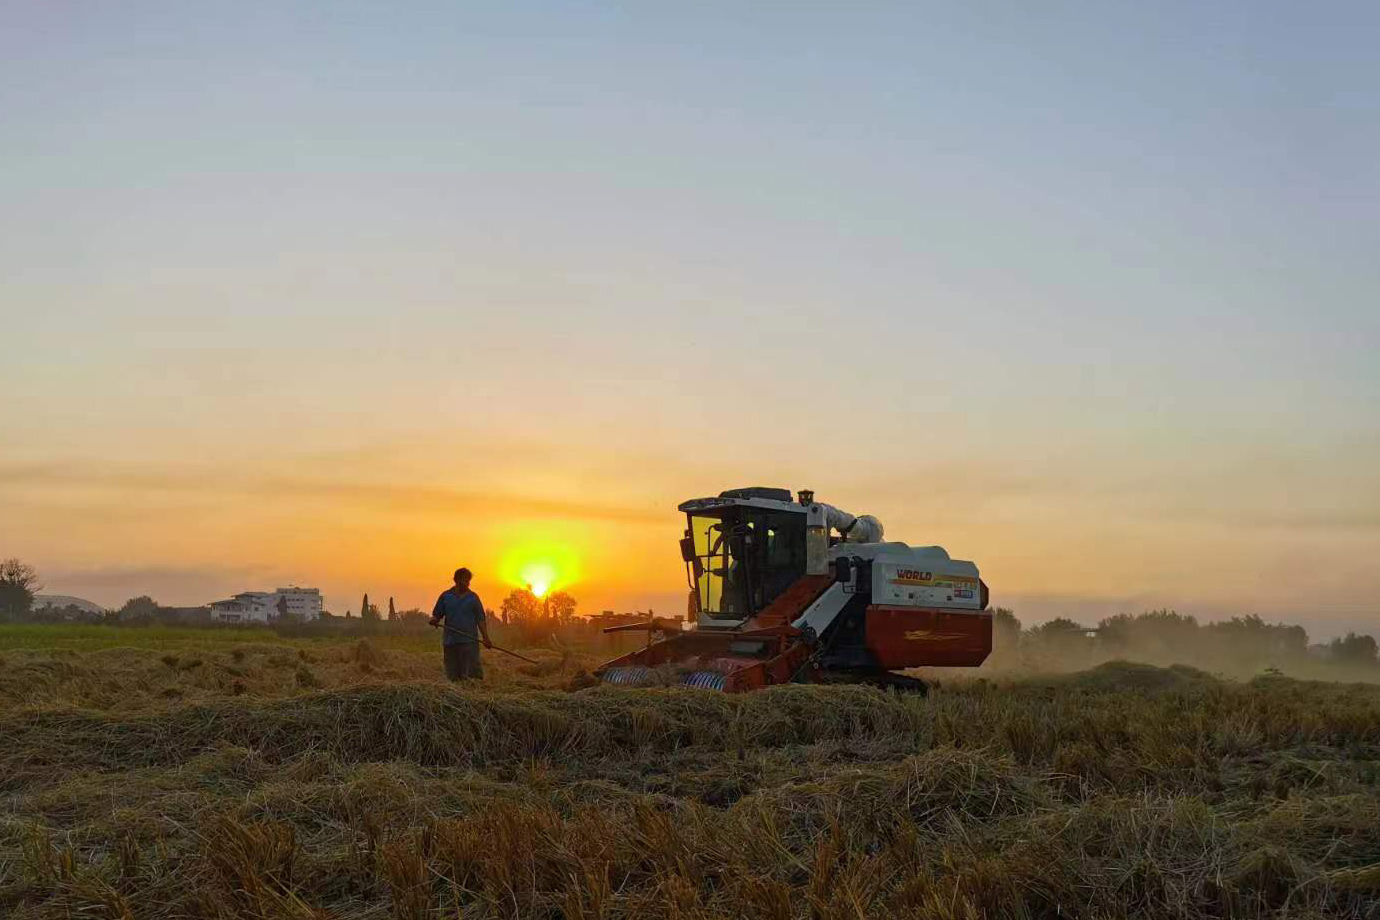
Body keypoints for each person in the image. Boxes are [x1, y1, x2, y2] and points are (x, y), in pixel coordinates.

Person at [429, 567, 492, 681]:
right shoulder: (446, 596)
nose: (467, 583)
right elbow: (437, 614)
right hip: (450, 641)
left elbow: (481, 619)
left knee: (472, 675)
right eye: (465, 580)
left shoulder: (473, 598)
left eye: (468, 581)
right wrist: (434, 620)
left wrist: (486, 638)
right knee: (453, 674)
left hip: (469, 641)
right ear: (456, 580)